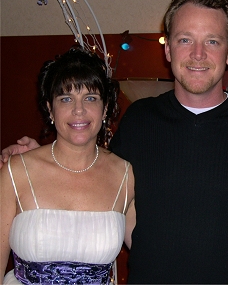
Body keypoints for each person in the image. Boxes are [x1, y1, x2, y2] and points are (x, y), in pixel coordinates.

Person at [1, 0, 228, 283]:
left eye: (212, 41)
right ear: (167, 49)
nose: (197, 54)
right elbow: (98, 177)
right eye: (185, 39)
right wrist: (39, 160)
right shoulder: (139, 120)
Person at [0, 47, 135, 284]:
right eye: (66, 98)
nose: (79, 110)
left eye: (90, 98)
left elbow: (153, 252)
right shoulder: (16, 171)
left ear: (105, 109)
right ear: (50, 109)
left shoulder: (125, 175)